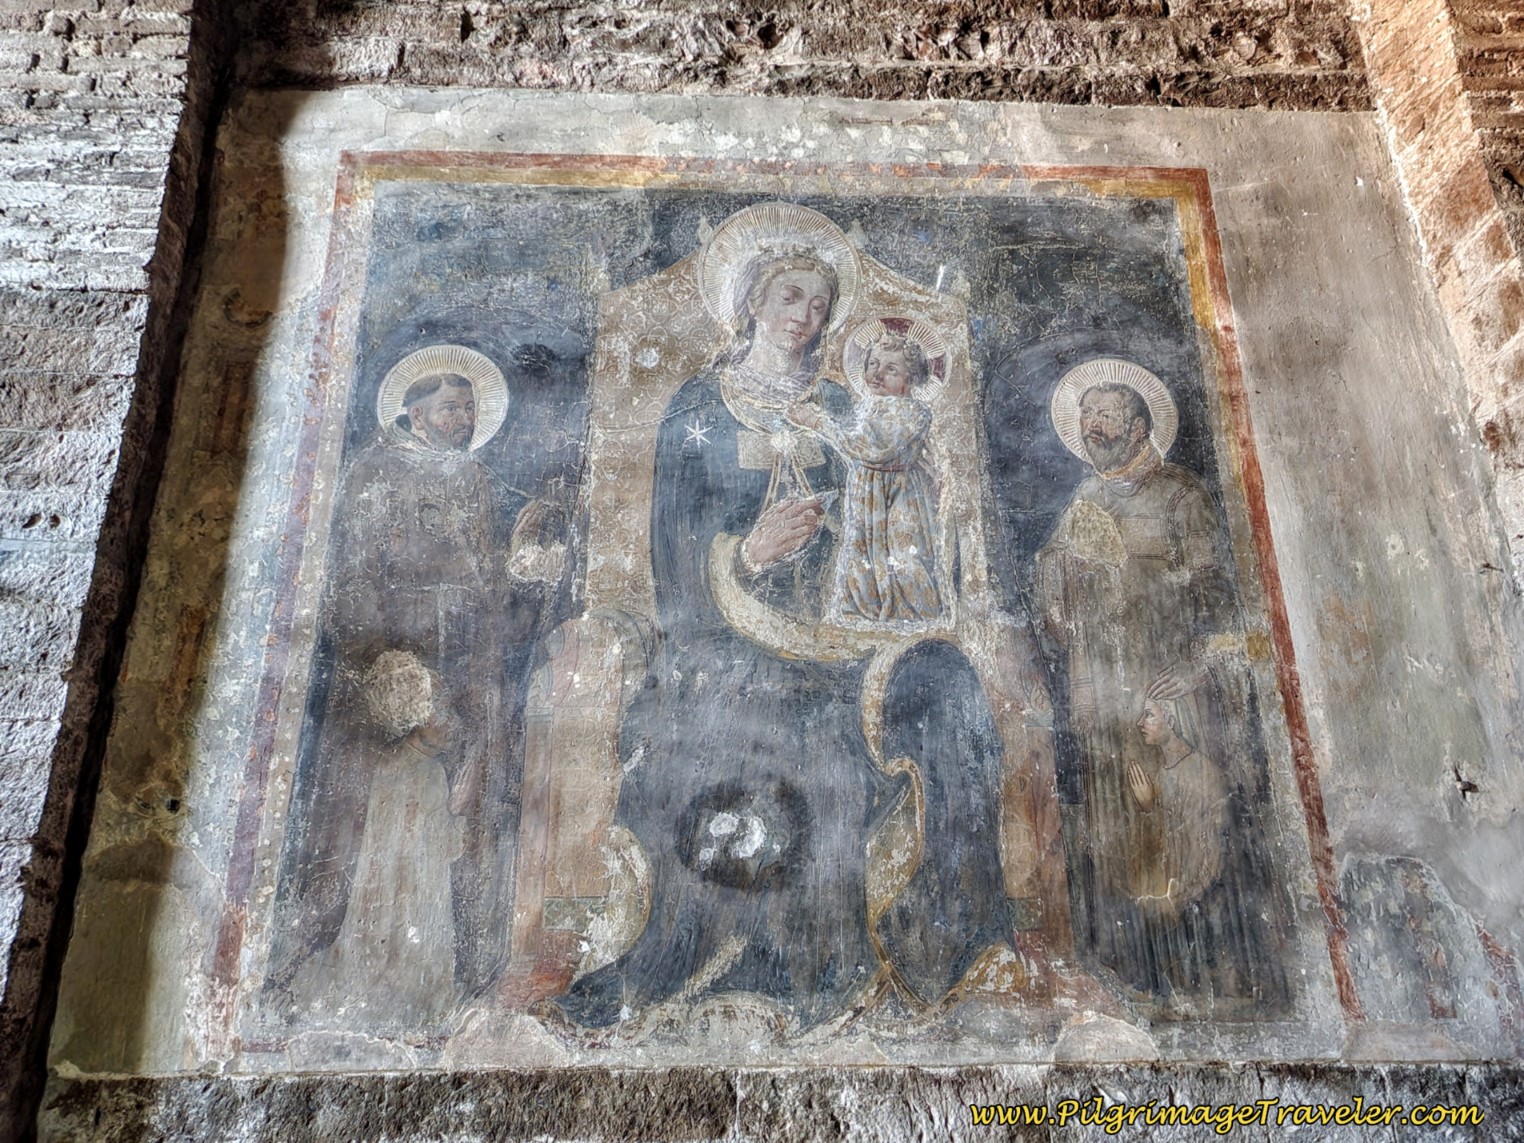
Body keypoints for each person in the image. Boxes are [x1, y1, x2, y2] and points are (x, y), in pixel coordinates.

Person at [552, 207, 1017, 1030]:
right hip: (719, 639)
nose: (803, 317)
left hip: (834, 641)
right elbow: (671, 543)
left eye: (818, 304)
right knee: (711, 741)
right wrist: (751, 554)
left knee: (886, 732)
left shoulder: (847, 401)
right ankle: (695, 953)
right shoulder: (700, 402)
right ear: (753, 304)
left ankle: (835, 959)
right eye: (790, 297)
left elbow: (883, 507)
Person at [265, 352, 561, 1030]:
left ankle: (453, 974)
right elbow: (354, 581)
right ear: (415, 410)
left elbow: (489, 596)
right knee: (366, 822)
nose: (463, 418)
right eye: (451, 406)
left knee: (463, 821)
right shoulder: (375, 471)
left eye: (470, 407)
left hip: (466, 671)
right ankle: (327, 958)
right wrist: (391, 665)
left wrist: (524, 574)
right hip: (393, 674)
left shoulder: (476, 480)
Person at [1036, 366, 1288, 1012]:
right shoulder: (1081, 506)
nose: (1093, 423)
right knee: (1119, 836)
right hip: (1105, 703)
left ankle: (1213, 973)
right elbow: (1053, 609)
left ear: (1142, 424)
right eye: (1086, 413)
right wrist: (1059, 582)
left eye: (1107, 411)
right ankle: (1137, 979)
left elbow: (1218, 596)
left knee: (1192, 824)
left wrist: (1198, 667)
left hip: (1167, 690)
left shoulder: (1181, 495)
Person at [787, 326, 945, 627]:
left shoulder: (912, 412)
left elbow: (872, 448)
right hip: (866, 494)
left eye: (891, 369)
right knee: (861, 558)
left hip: (898, 495)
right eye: (873, 364)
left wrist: (818, 422)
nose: (878, 374)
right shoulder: (868, 407)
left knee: (905, 559)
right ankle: (861, 613)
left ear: (910, 379)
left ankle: (917, 615)